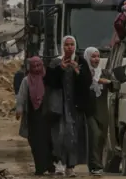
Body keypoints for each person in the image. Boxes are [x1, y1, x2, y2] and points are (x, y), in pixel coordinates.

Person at [45, 36, 91, 177]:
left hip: (74, 106)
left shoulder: (81, 62)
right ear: (62, 47)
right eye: (66, 45)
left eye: (72, 44)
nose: (69, 47)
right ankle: (58, 163)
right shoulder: (56, 62)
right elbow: (49, 82)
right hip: (59, 106)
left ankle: (70, 166)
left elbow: (87, 82)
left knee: (73, 136)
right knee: (58, 136)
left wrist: (78, 72)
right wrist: (60, 69)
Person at [16, 56, 54, 175]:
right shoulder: (26, 80)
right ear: (30, 67)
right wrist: (19, 109)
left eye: (39, 65)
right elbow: (21, 96)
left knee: (48, 141)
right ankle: (40, 168)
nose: (37, 68)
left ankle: (50, 165)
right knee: (35, 143)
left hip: (47, 115)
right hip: (33, 116)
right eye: (34, 66)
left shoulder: (47, 78)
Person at [84, 47, 113, 176]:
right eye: (93, 56)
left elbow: (115, 85)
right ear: (87, 58)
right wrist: (94, 80)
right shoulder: (83, 73)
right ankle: (96, 165)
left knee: (101, 138)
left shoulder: (104, 73)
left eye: (97, 56)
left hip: (102, 111)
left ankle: (95, 165)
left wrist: (108, 81)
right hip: (90, 111)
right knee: (94, 136)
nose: (96, 59)